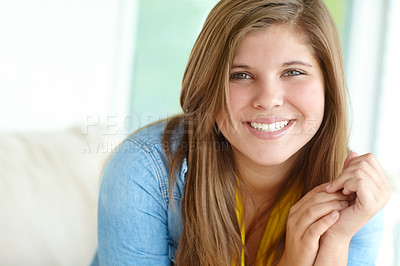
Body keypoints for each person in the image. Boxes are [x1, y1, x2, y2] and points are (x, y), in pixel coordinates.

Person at [90, 0, 391, 265]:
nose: (268, 98)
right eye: (241, 75)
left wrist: (334, 243)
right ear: (208, 87)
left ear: (329, 84)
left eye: (293, 72)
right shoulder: (142, 173)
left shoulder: (357, 199)